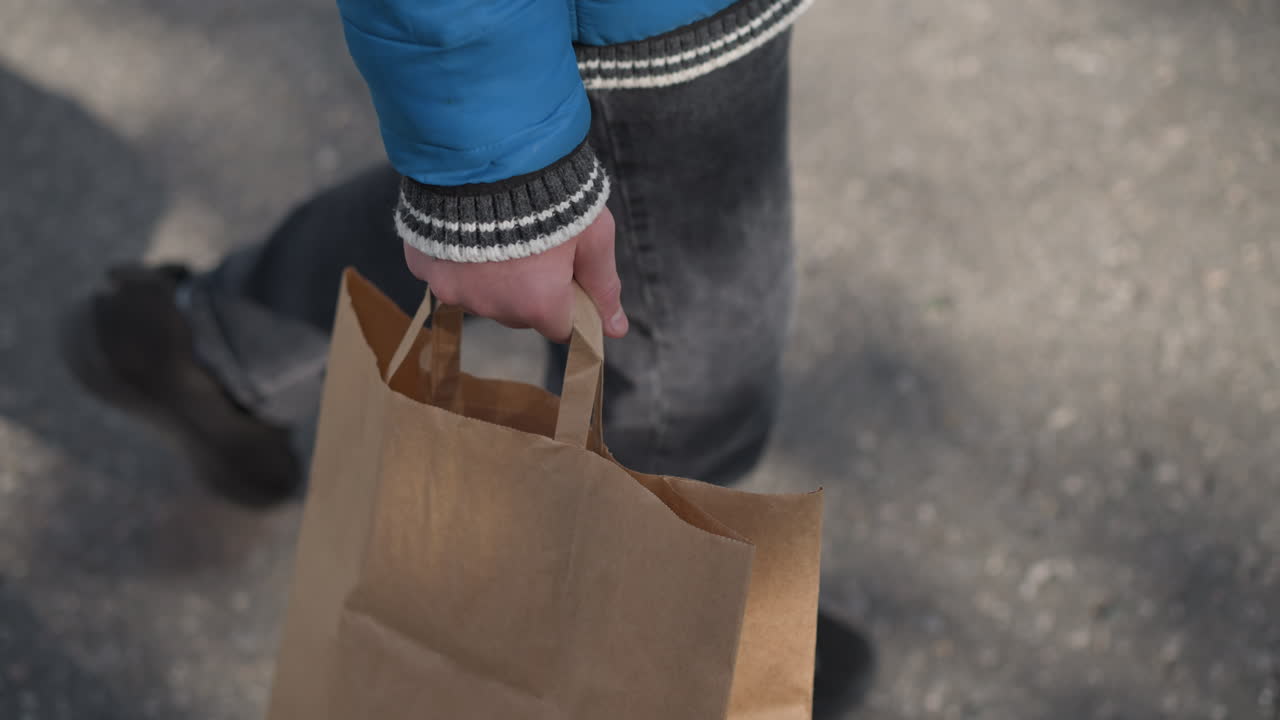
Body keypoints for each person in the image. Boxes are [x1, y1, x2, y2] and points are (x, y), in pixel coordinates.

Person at [65, 0, 872, 715]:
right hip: (642, 28)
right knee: (689, 346)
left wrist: (494, 180)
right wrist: (493, 165)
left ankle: (205, 346)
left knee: (557, 198)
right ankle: (665, 627)